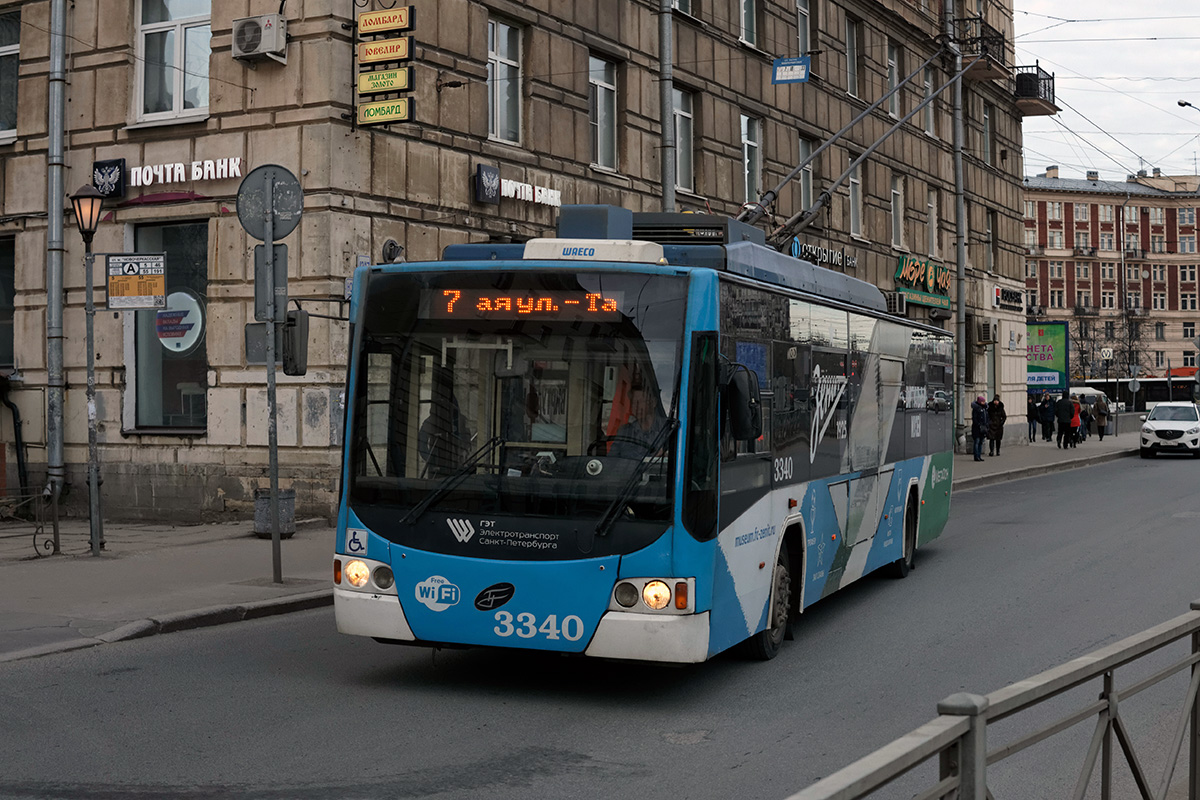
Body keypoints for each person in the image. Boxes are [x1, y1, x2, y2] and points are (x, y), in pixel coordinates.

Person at [609, 387, 670, 459]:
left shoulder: (667, 429)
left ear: (653, 402)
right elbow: (611, 459)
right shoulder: (625, 432)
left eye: (641, 401)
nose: (636, 406)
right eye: (634, 402)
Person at [970, 394, 989, 462]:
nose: (984, 402)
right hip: (977, 428)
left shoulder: (985, 408)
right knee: (977, 442)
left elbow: (987, 417)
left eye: (984, 401)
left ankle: (979, 455)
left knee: (981, 442)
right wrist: (978, 424)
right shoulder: (976, 409)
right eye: (982, 401)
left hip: (983, 428)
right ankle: (976, 456)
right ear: (979, 401)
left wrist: (987, 424)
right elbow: (974, 418)